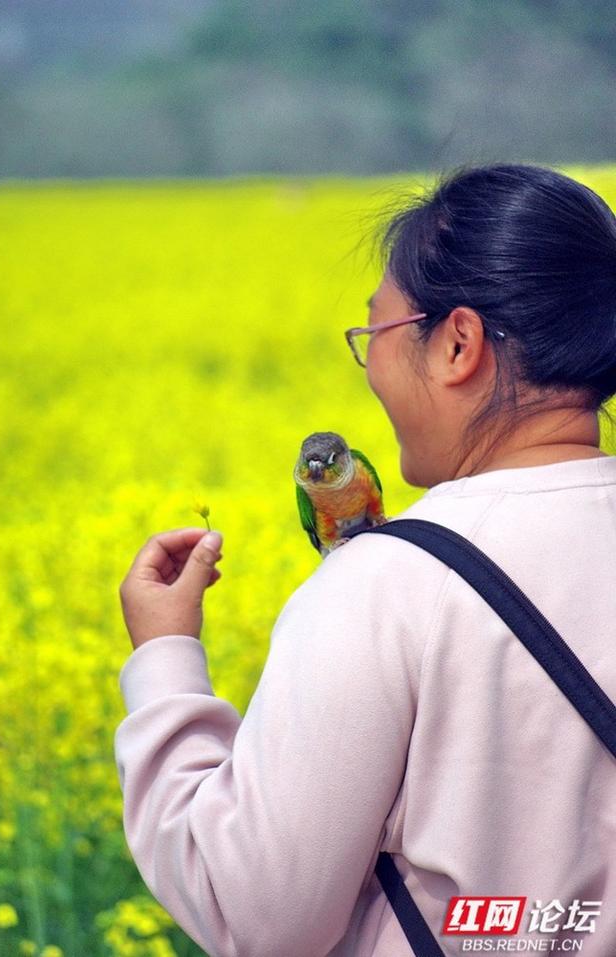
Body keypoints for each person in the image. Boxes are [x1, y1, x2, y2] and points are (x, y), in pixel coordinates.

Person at [114, 162, 616, 956]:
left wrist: (165, 666)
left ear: (458, 343)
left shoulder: (383, 587)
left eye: (373, 334)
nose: (372, 366)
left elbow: (256, 914)